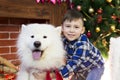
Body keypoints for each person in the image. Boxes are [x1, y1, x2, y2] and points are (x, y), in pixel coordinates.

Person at [34, 9, 104, 80]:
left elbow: (73, 64)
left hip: (94, 67)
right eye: (68, 26)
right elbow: (53, 51)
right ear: (62, 28)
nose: (71, 30)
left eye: (76, 27)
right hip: (79, 69)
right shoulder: (63, 40)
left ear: (82, 30)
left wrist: (53, 75)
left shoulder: (83, 45)